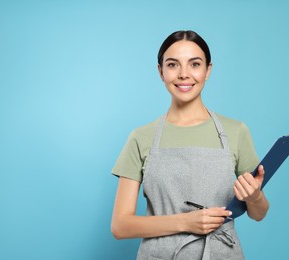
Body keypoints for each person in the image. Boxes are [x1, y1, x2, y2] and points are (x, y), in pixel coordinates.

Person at [111, 30, 269, 260]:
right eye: (173, 65)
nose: (184, 74)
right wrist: (186, 221)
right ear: (161, 72)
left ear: (208, 70)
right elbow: (120, 226)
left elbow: (259, 214)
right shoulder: (140, 138)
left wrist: (254, 197)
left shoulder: (236, 132)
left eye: (194, 64)